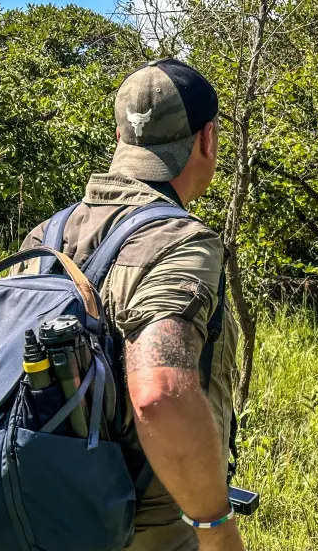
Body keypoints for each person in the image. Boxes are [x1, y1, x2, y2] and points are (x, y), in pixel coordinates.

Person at [15, 58, 244, 551]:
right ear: (208, 140)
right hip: (140, 526)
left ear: (121, 136)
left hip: (34, 508)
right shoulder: (181, 240)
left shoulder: (46, 235)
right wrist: (216, 531)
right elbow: (159, 392)